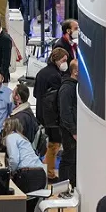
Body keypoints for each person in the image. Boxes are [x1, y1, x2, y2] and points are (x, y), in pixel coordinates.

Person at [2, 118, 47, 212]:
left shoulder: (11, 137)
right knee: (28, 210)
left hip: (28, 176)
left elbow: (14, 159)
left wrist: (10, 172)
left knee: (23, 209)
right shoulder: (23, 138)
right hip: (39, 174)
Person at [34, 48, 68, 181]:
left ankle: (46, 167)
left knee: (51, 143)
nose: (65, 63)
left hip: (41, 112)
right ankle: (50, 173)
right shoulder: (55, 76)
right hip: (51, 117)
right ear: (56, 59)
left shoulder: (41, 72)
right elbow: (56, 99)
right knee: (54, 145)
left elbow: (36, 93)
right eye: (63, 60)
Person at [58, 59, 78, 186]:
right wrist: (74, 131)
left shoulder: (76, 87)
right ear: (75, 71)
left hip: (73, 129)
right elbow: (65, 112)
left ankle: (73, 184)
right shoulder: (67, 88)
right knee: (68, 159)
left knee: (74, 159)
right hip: (68, 131)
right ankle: (63, 186)